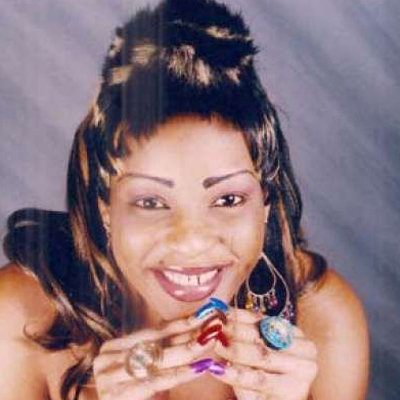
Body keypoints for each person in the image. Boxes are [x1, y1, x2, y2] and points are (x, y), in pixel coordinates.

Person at [0, 0, 369, 399]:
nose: (192, 241)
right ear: (107, 208)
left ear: (264, 202)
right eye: (151, 202)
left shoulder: (322, 319)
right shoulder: (19, 317)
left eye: (228, 199)